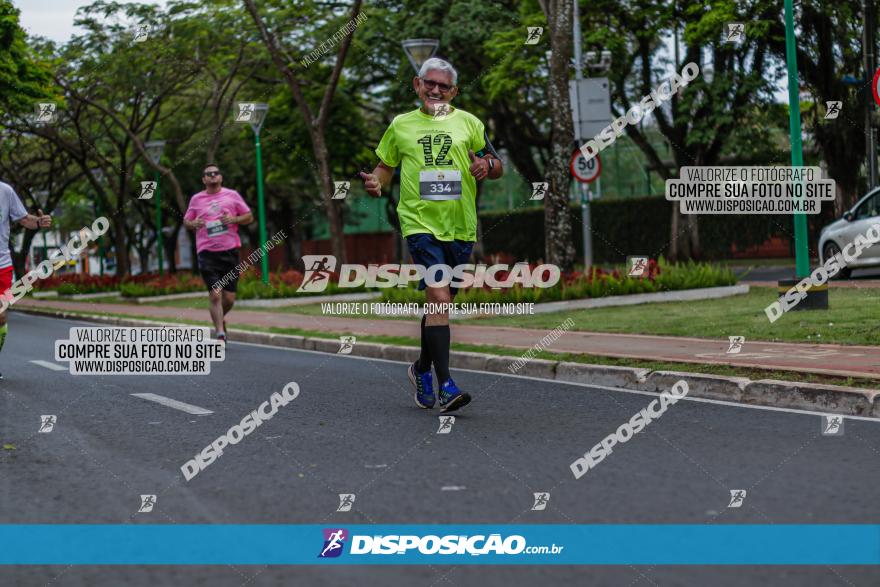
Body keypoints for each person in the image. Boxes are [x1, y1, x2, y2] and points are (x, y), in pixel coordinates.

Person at [359, 57, 504, 413]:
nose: (435, 90)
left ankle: (421, 368)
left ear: (453, 91)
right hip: (419, 224)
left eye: (443, 86)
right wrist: (377, 183)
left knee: (441, 304)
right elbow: (385, 168)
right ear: (417, 84)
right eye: (430, 83)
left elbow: (497, 164)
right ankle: (447, 386)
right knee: (439, 298)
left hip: (460, 226)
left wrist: (486, 165)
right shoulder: (401, 125)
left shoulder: (469, 122)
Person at [183, 164, 254, 341]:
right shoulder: (196, 199)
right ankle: (220, 333)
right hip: (207, 253)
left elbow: (249, 217)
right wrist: (193, 224)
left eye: (216, 173)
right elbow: (186, 221)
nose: (213, 176)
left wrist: (234, 219)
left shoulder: (232, 195)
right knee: (215, 294)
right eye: (209, 174)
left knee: (229, 299)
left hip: (230, 252)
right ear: (204, 179)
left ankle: (220, 318)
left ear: (221, 177)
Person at [0, 181, 52, 379]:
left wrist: (38, 222)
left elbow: (24, 219)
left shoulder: (5, 191)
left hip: (2, 265)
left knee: (1, 316)